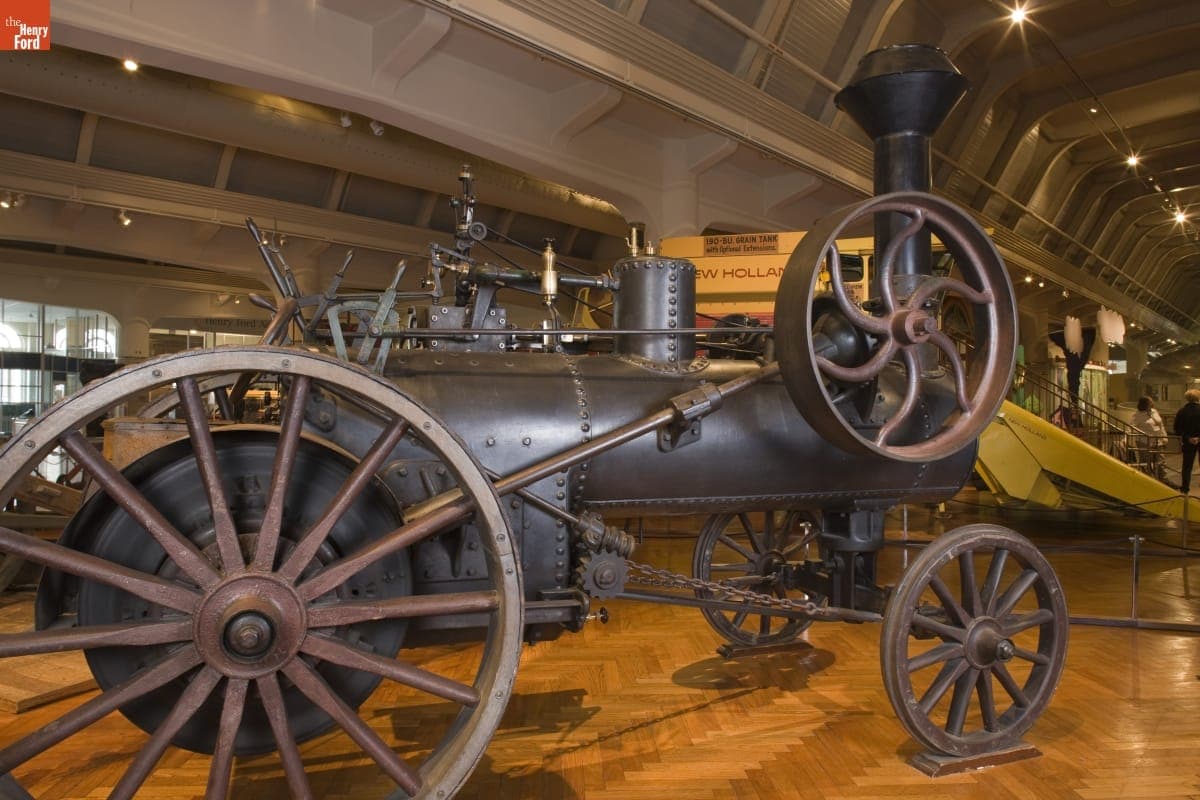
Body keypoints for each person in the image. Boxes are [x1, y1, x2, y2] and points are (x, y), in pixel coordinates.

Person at [1130, 396, 1167, 479]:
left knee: (1161, 460)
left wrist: (1164, 436)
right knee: (1146, 461)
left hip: (1158, 439)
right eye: (1150, 402)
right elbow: (1132, 426)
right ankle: (1147, 478)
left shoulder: (1154, 411)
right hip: (1144, 441)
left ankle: (1162, 478)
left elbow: (1161, 425)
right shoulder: (1137, 414)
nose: (1152, 403)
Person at [1175, 389, 1200, 494]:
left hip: (1187, 442)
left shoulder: (1182, 411)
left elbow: (1177, 429)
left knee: (1187, 466)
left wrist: (1189, 438)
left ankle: (1185, 488)